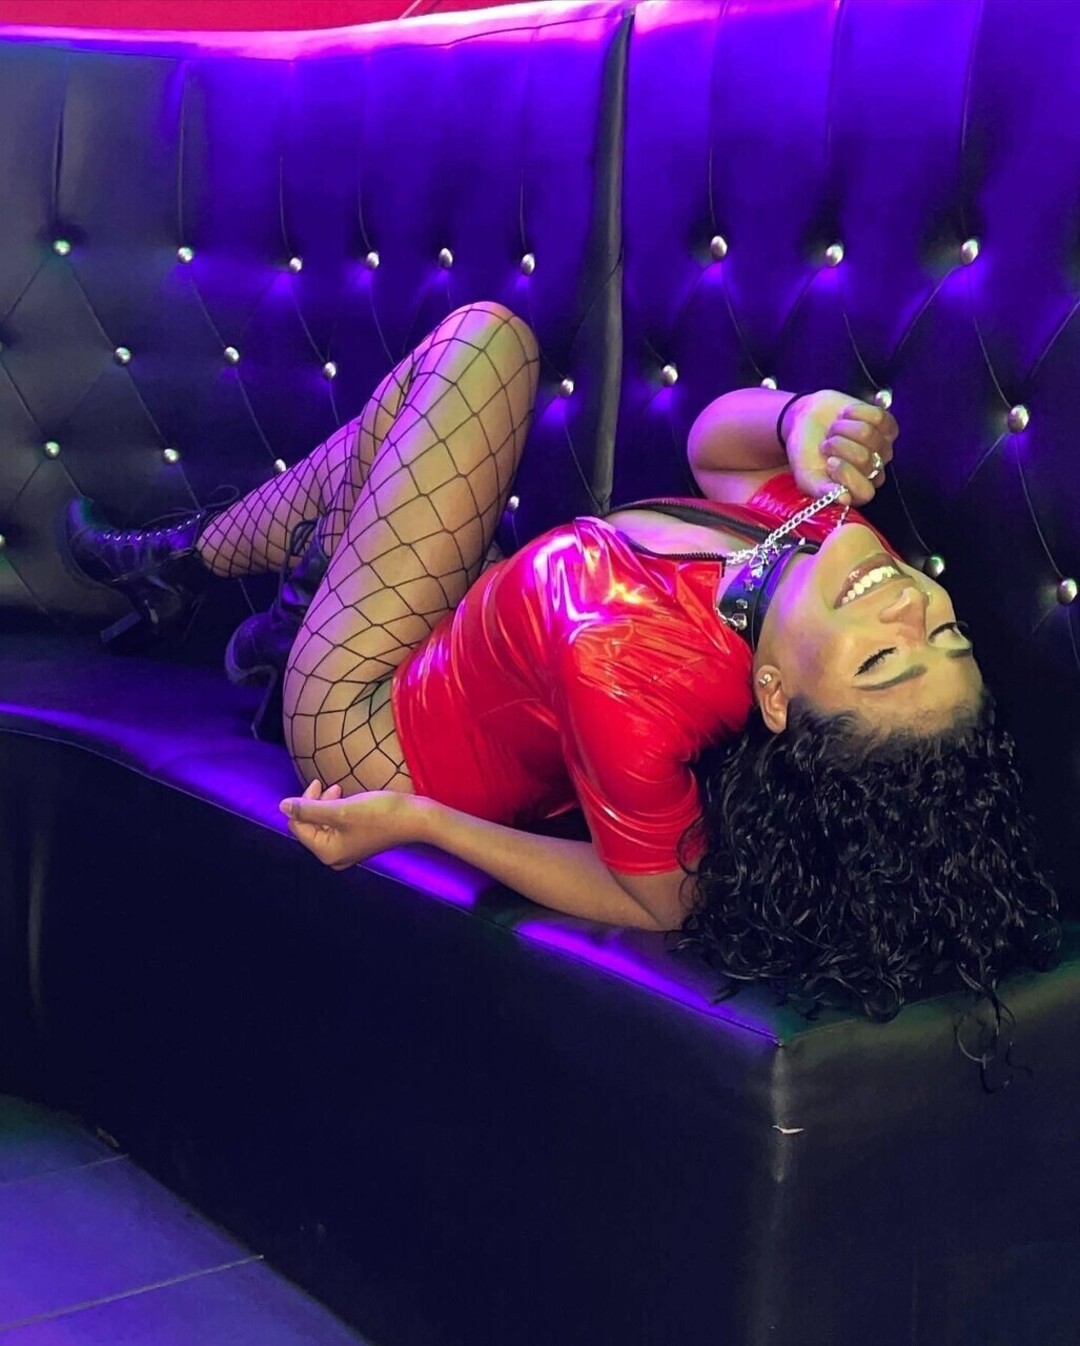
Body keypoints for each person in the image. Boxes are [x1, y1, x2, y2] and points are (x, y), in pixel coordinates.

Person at [64, 302, 1060, 1024]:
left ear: (775, 697)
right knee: (412, 422)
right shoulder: (838, 556)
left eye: (883, 660)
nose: (911, 609)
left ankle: (227, 589)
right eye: (948, 637)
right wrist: (798, 417)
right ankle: (224, 581)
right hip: (454, 614)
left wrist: (420, 820)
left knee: (484, 347)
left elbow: (656, 894)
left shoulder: (640, 679)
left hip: (368, 721)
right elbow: (718, 454)